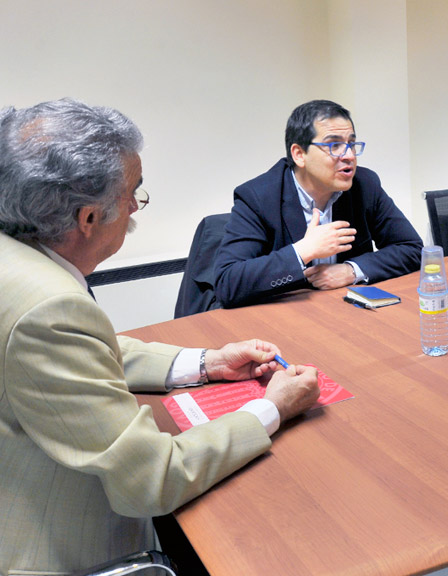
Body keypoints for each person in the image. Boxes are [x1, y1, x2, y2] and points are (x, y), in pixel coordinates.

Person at [0, 99, 322, 574]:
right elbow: (153, 478)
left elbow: (84, 351)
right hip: (59, 548)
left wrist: (208, 362)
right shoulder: (49, 307)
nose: (135, 206)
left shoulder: (18, 262)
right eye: (133, 193)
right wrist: (272, 408)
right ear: (88, 218)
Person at [215, 100, 422, 308]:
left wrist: (351, 270)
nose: (349, 156)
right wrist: (304, 251)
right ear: (299, 154)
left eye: (351, 144)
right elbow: (227, 283)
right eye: (334, 146)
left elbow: (412, 249)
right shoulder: (258, 197)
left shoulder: (364, 185)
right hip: (285, 315)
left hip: (346, 310)